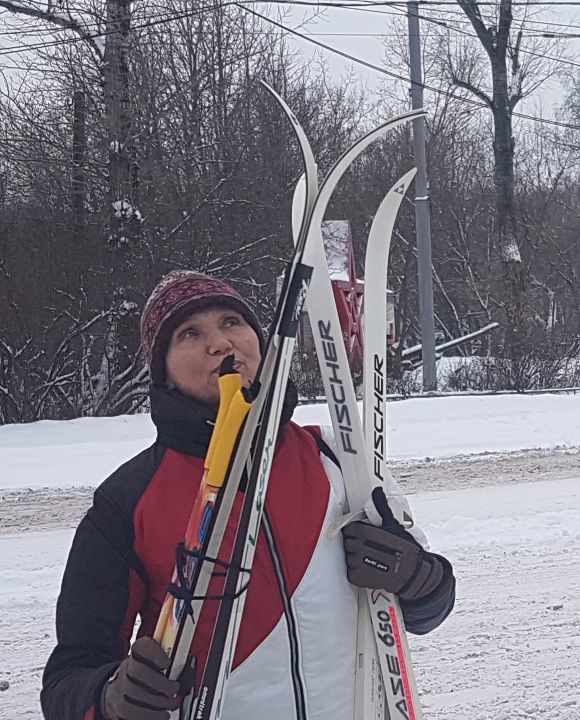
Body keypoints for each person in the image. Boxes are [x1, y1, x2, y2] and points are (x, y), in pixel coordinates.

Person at [42, 271, 455, 720]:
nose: (220, 343)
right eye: (190, 333)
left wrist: (421, 581)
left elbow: (425, 608)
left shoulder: (338, 457)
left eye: (232, 322)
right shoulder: (128, 500)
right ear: (163, 372)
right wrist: (109, 697)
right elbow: (70, 677)